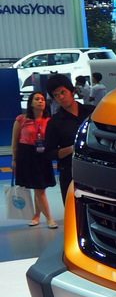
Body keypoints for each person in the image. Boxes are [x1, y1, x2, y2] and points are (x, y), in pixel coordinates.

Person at [44, 74, 94, 205]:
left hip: (95, 169)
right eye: (56, 95)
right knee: (73, 209)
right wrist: (72, 148)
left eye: (63, 92)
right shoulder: (55, 122)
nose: (60, 97)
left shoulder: (91, 112)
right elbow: (50, 153)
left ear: (72, 91)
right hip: (70, 172)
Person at [10, 91, 58, 228]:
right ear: (31, 103)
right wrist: (14, 159)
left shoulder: (49, 121)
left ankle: (37, 216)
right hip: (27, 154)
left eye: (42, 99)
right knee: (38, 188)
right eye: (37, 99)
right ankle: (49, 218)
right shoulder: (21, 119)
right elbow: (14, 141)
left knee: (40, 188)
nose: (40, 101)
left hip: (43, 155)